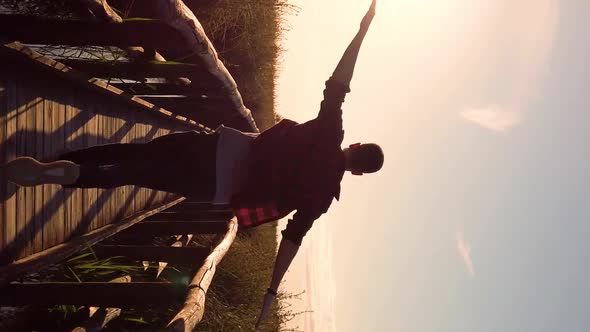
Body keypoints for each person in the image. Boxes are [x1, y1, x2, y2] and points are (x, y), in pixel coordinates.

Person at [4, 0, 381, 326]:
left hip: (221, 148)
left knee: (138, 153)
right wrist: (270, 290)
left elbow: (338, 82)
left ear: (357, 144)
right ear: (359, 172)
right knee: (134, 176)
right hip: (216, 188)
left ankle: (57, 162)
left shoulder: (331, 130)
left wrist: (362, 32)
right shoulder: (320, 198)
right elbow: (292, 240)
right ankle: (73, 176)